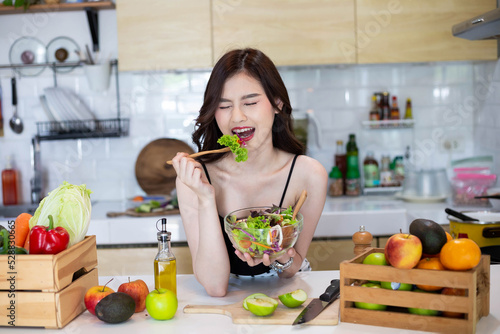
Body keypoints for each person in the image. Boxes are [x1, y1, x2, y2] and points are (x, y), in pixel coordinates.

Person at [171, 48, 328, 297]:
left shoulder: (308, 175)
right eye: (224, 106)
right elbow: (215, 286)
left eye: (250, 102)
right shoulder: (197, 178)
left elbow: (291, 269)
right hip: (221, 308)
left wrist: (278, 256)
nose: (237, 117)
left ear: (277, 103)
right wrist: (205, 198)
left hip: (287, 294)